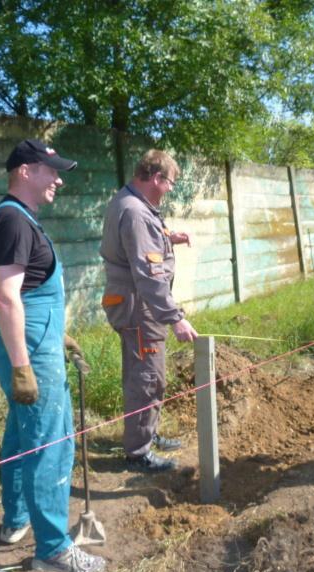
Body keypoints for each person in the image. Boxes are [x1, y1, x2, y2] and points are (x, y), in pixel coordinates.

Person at [0, 139, 105, 572]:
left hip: (35, 339)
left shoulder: (17, 219)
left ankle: (15, 520)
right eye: (51, 170)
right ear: (25, 171)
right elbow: (8, 298)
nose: (58, 179)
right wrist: (22, 367)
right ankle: (53, 548)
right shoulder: (14, 222)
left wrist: (61, 333)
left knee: (20, 434)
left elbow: (30, 292)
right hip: (29, 349)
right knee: (50, 443)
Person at [100, 149, 199, 473]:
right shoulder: (136, 212)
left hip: (133, 303)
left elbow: (140, 244)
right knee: (147, 378)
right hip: (139, 306)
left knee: (144, 373)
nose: (170, 189)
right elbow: (149, 274)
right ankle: (138, 452)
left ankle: (146, 433)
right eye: (170, 182)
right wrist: (176, 318)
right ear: (156, 177)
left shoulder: (132, 203)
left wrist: (169, 236)